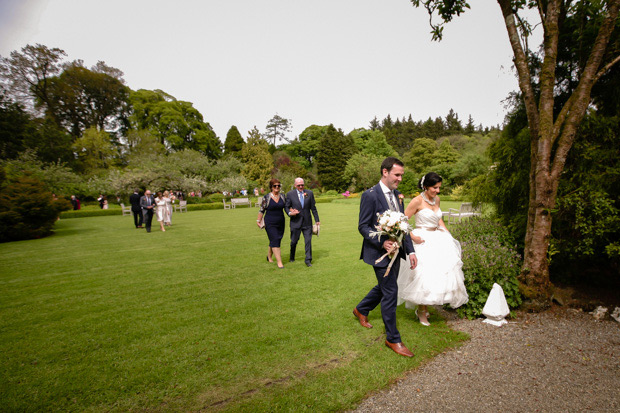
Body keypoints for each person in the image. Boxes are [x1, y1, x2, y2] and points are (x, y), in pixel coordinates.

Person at [353, 157, 418, 357]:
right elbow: (363, 226)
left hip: (397, 253)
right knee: (390, 291)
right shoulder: (370, 195)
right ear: (385, 172)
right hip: (379, 254)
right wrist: (382, 243)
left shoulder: (398, 196)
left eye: (401, 175)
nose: (399, 179)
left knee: (385, 286)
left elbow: (403, 226)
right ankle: (393, 338)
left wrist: (411, 250)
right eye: (397, 175)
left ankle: (361, 309)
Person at [396, 172, 469, 326]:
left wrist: (447, 233)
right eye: (434, 188)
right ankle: (421, 311)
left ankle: (426, 306)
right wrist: (413, 237)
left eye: (439, 188)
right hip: (421, 239)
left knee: (438, 274)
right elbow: (402, 221)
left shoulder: (437, 199)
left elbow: (438, 218)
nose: (438, 191)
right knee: (424, 275)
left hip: (438, 238)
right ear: (425, 186)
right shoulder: (416, 201)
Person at [285, 177, 320, 267]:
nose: (301, 187)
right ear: (295, 185)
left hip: (307, 222)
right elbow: (286, 206)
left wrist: (317, 220)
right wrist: (290, 213)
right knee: (294, 241)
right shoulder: (290, 194)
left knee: (308, 241)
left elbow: (313, 207)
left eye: (302, 185)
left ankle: (308, 260)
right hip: (295, 222)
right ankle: (292, 256)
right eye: (299, 185)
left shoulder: (309, 193)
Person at [257, 179, 287, 269]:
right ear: (271, 187)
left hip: (281, 222)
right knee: (275, 240)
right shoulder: (266, 197)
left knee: (276, 239)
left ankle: (269, 256)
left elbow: (286, 207)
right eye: (275, 186)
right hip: (270, 222)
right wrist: (258, 221)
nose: (277, 187)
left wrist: (292, 211)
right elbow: (261, 210)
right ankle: (279, 262)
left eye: (278, 185)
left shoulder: (283, 197)